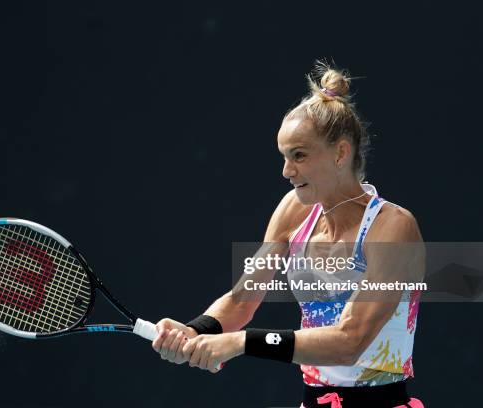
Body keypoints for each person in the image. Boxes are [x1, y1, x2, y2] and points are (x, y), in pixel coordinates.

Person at [152, 62, 424, 408]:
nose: (286, 171)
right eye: (284, 156)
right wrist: (197, 330)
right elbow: (241, 300)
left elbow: (350, 341)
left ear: (341, 152)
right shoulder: (295, 210)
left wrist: (241, 343)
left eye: (299, 156)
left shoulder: (393, 227)